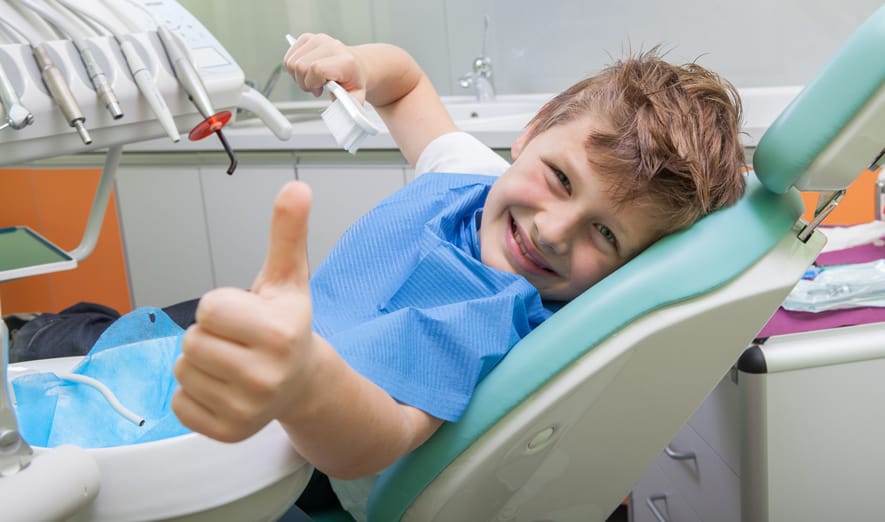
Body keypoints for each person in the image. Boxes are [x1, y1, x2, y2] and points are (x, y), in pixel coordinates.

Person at [5, 34, 747, 520]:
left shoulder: (489, 320)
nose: (552, 231)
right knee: (85, 326)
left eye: (604, 236)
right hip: (263, 340)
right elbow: (406, 85)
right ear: (532, 130)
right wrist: (356, 67)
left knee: (52, 354)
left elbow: (375, 442)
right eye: (558, 178)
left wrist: (302, 380)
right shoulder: (472, 175)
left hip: (292, 438)